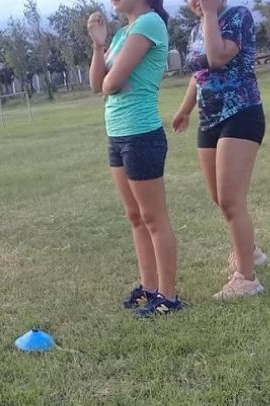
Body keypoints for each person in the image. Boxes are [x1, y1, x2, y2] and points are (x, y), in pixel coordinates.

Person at [88, 0, 183, 317]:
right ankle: (149, 287)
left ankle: (168, 297)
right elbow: (96, 84)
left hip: (141, 134)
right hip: (117, 135)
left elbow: (111, 83)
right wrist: (99, 46)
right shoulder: (122, 34)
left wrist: (109, 80)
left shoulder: (149, 23)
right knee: (135, 217)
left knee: (154, 218)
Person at [172, 0, 268, 299]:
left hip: (241, 114)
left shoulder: (238, 16)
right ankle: (249, 252)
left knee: (231, 200)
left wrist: (210, 14)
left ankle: (247, 279)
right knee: (218, 196)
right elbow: (198, 72)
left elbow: (216, 57)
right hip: (209, 120)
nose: (195, 2)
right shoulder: (195, 29)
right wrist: (185, 109)